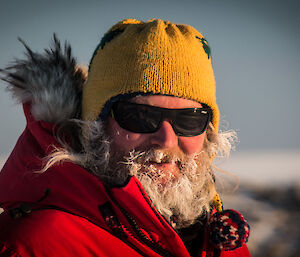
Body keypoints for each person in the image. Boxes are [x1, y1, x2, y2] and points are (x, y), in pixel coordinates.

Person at [0, 19, 251, 257]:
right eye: (140, 116)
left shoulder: (223, 241)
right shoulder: (33, 246)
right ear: (93, 127)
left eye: (189, 119)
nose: (166, 140)